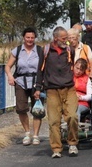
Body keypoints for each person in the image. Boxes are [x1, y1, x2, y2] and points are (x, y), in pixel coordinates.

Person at [34, 26, 78, 159]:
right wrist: (37, 88)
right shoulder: (46, 50)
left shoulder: (70, 50)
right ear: (56, 38)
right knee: (54, 121)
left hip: (69, 88)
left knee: (72, 117)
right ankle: (56, 148)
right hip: (52, 90)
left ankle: (72, 143)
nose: (66, 41)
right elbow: (40, 70)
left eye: (67, 38)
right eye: (64, 38)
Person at [5, 27, 43, 146]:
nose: (30, 40)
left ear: (35, 38)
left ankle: (36, 135)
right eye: (27, 37)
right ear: (23, 38)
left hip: (36, 82)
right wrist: (10, 76)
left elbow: (43, 67)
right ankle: (27, 133)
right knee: (21, 109)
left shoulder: (39, 50)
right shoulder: (17, 50)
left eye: (32, 37)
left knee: (37, 110)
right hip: (21, 81)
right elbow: (8, 66)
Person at [73, 58, 92, 123]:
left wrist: (81, 97)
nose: (78, 71)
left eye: (81, 70)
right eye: (77, 68)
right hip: (69, 100)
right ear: (74, 66)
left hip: (82, 103)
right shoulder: (69, 76)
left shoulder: (87, 79)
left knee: (76, 109)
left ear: (84, 70)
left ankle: (75, 129)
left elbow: (90, 96)